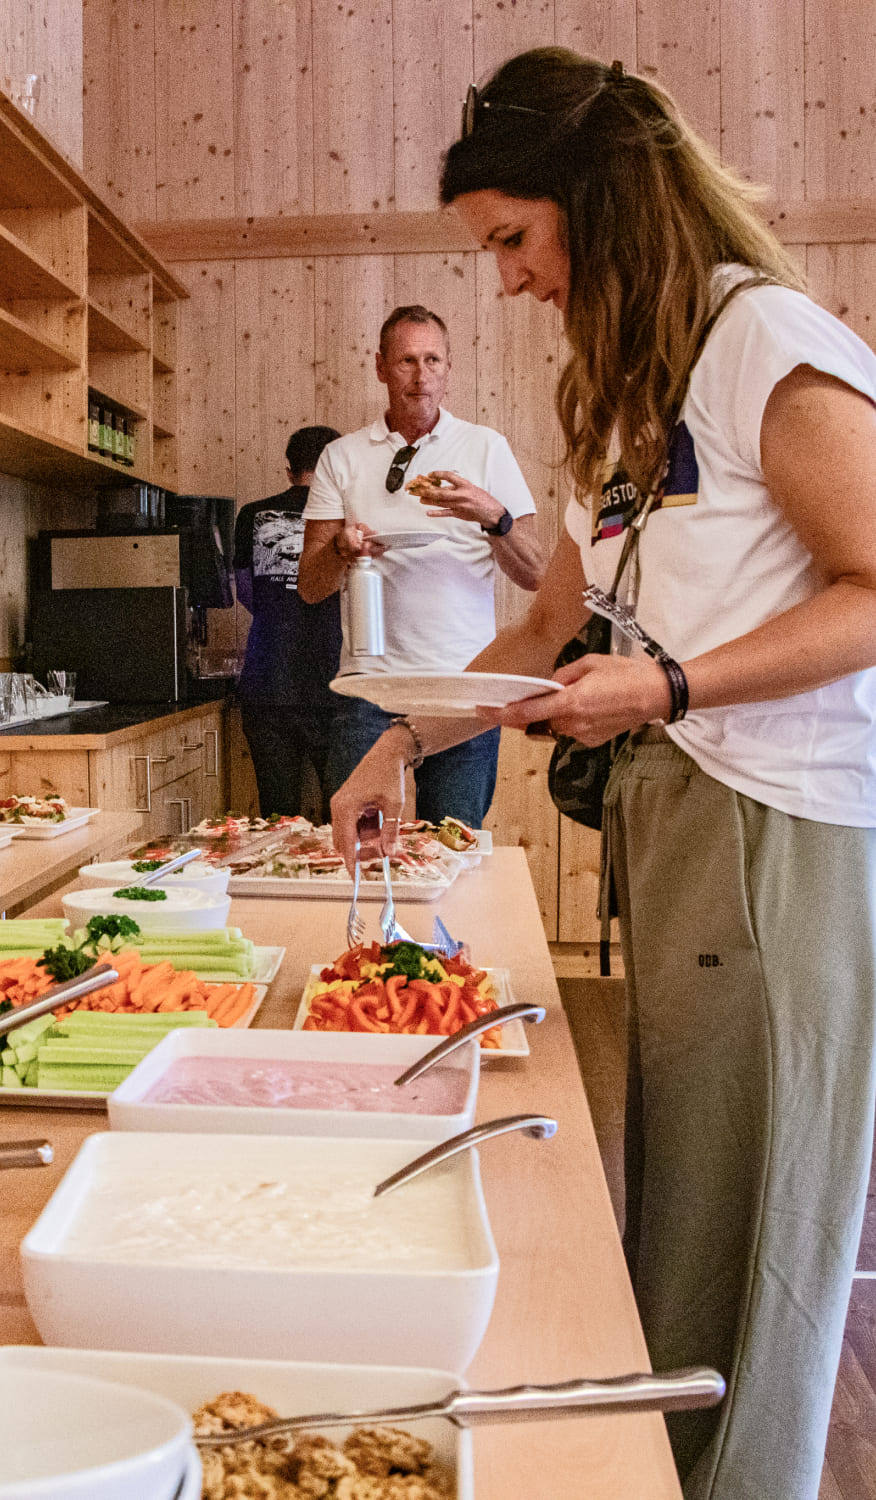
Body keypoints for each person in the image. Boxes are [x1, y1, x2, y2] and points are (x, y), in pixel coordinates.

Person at [329, 48, 876, 1500]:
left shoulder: (764, 341)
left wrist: (671, 683)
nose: (505, 279)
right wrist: (398, 744)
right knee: (692, 1199)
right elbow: (543, 623)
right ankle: (664, 1469)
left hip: (779, 820)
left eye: (514, 238)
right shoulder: (638, 382)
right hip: (685, 807)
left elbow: (875, 584)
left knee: (758, 1218)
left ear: (604, 201)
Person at [298, 305, 545, 828]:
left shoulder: (485, 447)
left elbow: (538, 575)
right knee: (362, 856)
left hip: (463, 691)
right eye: (407, 360)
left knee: (453, 855)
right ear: (382, 367)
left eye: (433, 359)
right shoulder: (341, 456)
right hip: (370, 691)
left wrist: (492, 515)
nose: (421, 373)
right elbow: (310, 587)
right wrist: (341, 551)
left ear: (449, 368)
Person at [232, 426, 345, 818]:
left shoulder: (252, 515)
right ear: (337, 468)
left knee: (277, 820)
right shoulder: (346, 517)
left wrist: (280, 609)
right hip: (333, 683)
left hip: (267, 682)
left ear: (289, 470)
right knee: (343, 819)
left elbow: (246, 593)